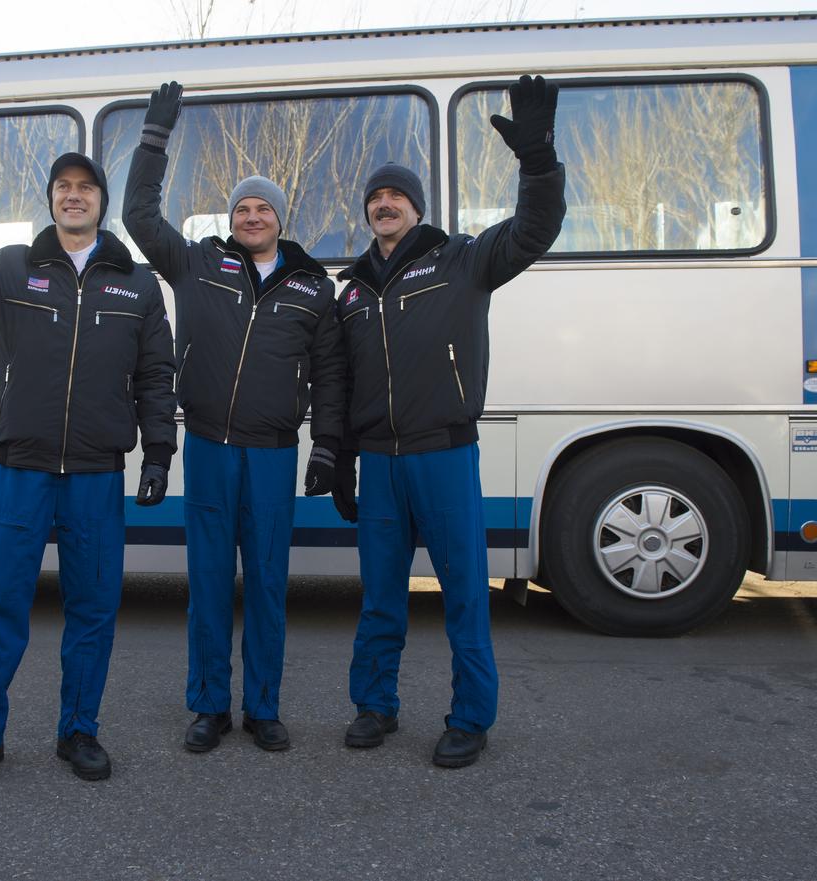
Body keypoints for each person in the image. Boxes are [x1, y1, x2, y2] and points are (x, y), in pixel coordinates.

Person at [0, 154, 177, 786]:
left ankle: (79, 732)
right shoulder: (11, 268)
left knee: (93, 608)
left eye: (86, 188)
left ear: (101, 201)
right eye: (63, 187)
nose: (74, 196)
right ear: (51, 199)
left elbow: (156, 376)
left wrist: (160, 454)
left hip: (95, 474)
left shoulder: (138, 285)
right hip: (20, 470)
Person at [331, 75, 566, 769]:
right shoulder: (350, 291)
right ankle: (375, 706)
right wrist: (340, 455)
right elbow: (340, 381)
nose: (384, 202)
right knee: (379, 599)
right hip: (380, 464)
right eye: (375, 196)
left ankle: (470, 717)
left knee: (464, 594)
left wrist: (538, 161)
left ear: (416, 208)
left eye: (396, 194)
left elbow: (534, 230)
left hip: (444, 456)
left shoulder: (461, 260)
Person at [123, 82, 346, 753]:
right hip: (212, 448)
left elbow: (333, 373)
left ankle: (265, 708)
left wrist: (327, 447)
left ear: (281, 217)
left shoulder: (313, 287)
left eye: (263, 208)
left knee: (270, 588)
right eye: (243, 208)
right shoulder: (196, 263)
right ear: (232, 218)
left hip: (275, 453)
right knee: (210, 587)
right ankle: (209, 706)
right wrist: (153, 142)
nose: (252, 216)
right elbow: (137, 214)